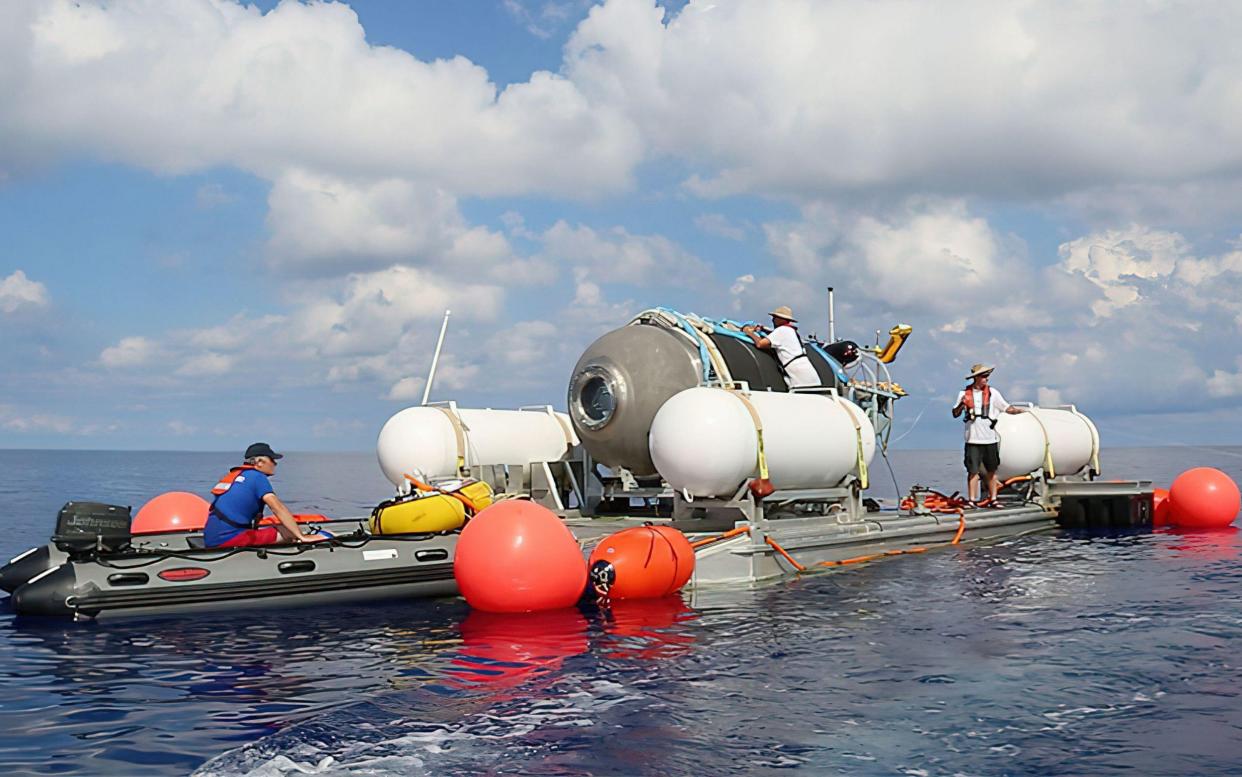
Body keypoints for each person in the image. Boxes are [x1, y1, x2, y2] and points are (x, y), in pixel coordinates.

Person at [203, 443, 329, 548]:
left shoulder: (235, 475)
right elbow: (277, 508)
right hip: (229, 539)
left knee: (282, 529)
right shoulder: (257, 477)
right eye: (272, 460)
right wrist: (301, 536)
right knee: (288, 532)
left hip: (211, 537)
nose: (275, 464)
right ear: (259, 462)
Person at [951, 364, 1024, 505]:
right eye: (983, 376)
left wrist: (1020, 411)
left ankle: (993, 499)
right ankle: (972, 500)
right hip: (972, 440)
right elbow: (955, 413)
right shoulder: (963, 394)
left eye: (987, 376)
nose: (986, 379)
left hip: (990, 439)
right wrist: (961, 404)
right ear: (976, 378)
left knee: (991, 471)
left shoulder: (993, 393)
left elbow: (1007, 408)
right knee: (973, 471)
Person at [742, 305, 820, 389]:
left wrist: (749, 332)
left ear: (781, 319)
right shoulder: (790, 331)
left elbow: (760, 344)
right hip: (807, 374)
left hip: (801, 377)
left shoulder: (782, 330)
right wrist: (762, 329)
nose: (773, 320)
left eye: (775, 317)